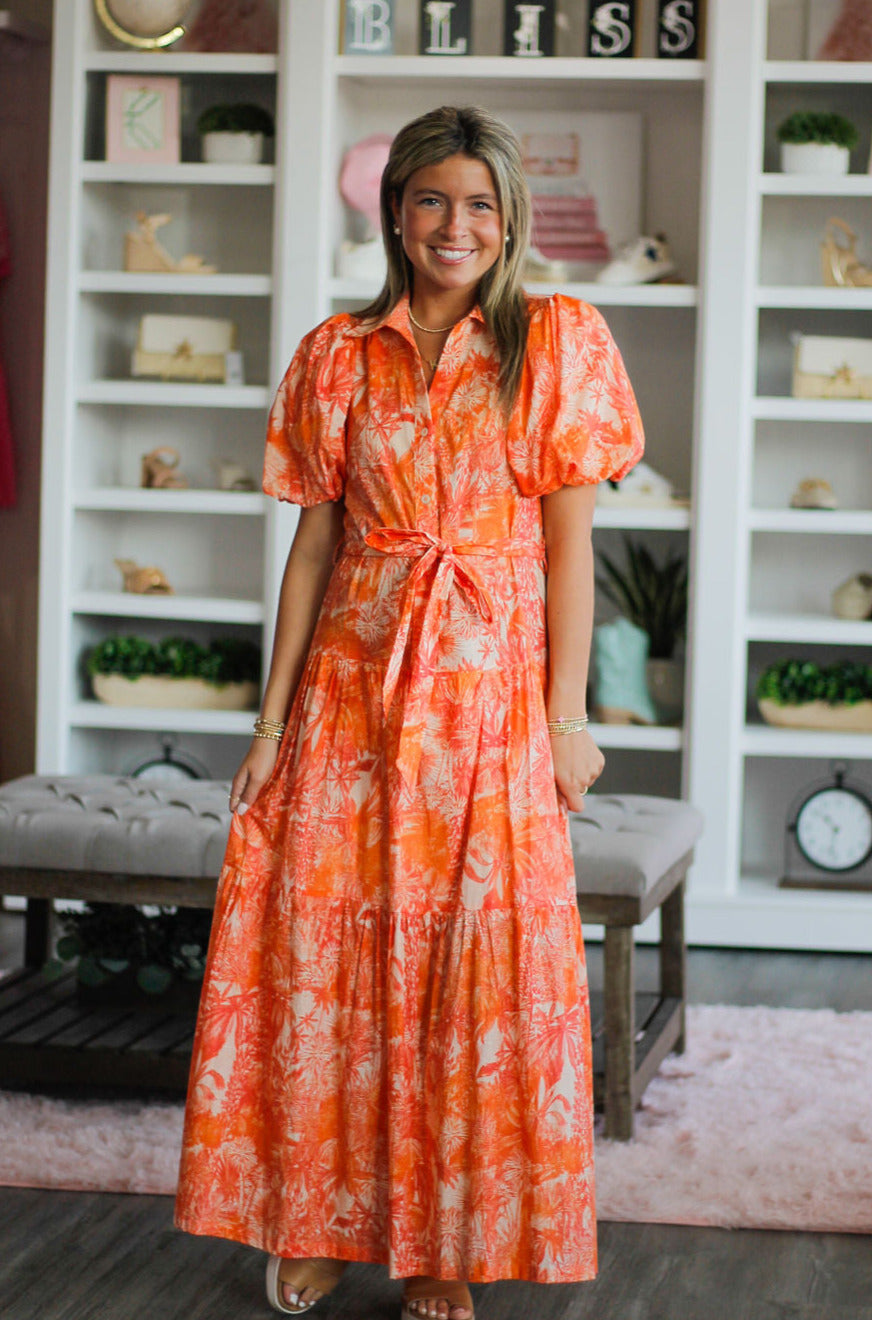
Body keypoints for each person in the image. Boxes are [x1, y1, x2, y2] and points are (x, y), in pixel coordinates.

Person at [174, 104, 643, 1320]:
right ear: (394, 211)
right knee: (324, 965)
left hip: (488, 706)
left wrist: (566, 719)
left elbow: (571, 549)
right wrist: (269, 728)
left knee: (470, 977)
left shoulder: (556, 340)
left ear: (508, 219)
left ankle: (445, 1247)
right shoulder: (335, 354)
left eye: (479, 204)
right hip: (350, 698)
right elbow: (312, 547)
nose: (455, 225)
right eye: (432, 199)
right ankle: (320, 1224)